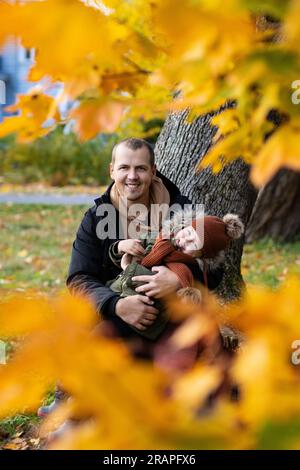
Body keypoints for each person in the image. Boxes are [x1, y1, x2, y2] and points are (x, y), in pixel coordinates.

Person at [38, 137, 226, 417]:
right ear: (111, 170)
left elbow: (216, 267)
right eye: (124, 167)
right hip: (117, 312)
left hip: (171, 312)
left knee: (200, 338)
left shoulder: (182, 211)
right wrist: (117, 304)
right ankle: (70, 401)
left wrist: (177, 281)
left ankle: (201, 405)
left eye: (140, 168)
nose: (132, 176)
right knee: (79, 323)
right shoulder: (96, 217)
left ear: (153, 171)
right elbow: (78, 278)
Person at [106, 212, 244, 340]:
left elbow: (146, 284)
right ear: (186, 225)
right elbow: (131, 251)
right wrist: (120, 249)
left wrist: (128, 268)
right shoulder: (160, 239)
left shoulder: (183, 269)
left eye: (193, 243)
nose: (184, 240)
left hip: (142, 320)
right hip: (116, 294)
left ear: (201, 256)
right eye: (189, 232)